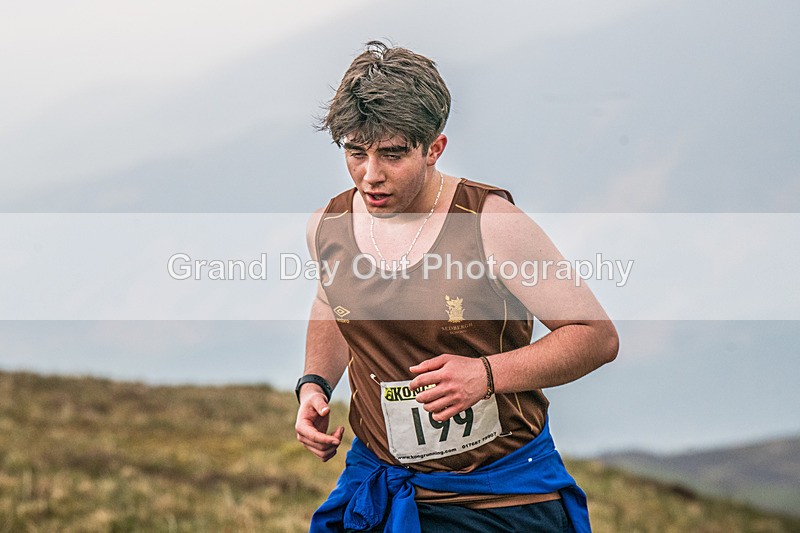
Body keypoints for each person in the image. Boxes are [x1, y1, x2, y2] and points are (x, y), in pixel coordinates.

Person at [294, 40, 618, 533]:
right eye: (356, 153)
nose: (370, 175)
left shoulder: (492, 223)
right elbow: (332, 301)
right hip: (380, 486)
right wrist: (314, 385)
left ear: (434, 148)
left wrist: (485, 375)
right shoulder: (329, 225)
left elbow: (596, 336)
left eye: (393, 154)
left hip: (499, 497)